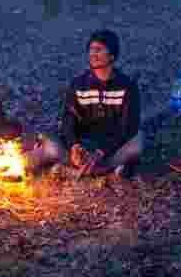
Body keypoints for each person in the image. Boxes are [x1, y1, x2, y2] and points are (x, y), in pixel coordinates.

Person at [36, 30, 142, 178]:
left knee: (137, 143)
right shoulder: (79, 84)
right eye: (91, 50)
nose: (93, 54)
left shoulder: (127, 87)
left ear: (112, 56)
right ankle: (102, 171)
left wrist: (100, 153)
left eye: (98, 50)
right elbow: (68, 119)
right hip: (84, 145)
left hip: (111, 147)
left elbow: (127, 129)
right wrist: (74, 146)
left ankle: (76, 171)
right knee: (50, 145)